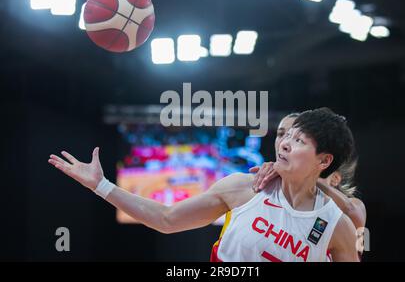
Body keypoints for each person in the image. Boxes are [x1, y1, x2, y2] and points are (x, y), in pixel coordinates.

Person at [48, 107, 359, 262]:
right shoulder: (243, 187)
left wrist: (321, 187)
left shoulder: (335, 223)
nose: (286, 144)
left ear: (323, 161)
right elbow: (166, 219)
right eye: (285, 136)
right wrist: (101, 185)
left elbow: (357, 214)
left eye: (299, 140)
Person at [250, 113, 366, 232]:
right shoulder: (264, 189)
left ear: (335, 178)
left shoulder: (351, 206)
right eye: (281, 134)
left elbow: (360, 247)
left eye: (299, 140)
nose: (284, 141)